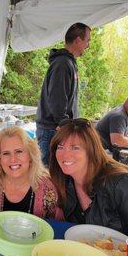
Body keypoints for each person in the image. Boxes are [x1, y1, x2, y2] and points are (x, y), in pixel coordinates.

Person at [49, 118, 128, 236]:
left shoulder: (121, 183)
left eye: (75, 147)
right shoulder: (62, 182)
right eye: (60, 147)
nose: (65, 154)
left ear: (91, 151)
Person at [36, 22, 91, 166]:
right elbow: (57, 97)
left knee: (59, 175)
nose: (88, 45)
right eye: (87, 40)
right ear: (78, 40)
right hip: (52, 130)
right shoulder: (62, 63)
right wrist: (64, 123)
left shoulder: (68, 62)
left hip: (57, 129)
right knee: (49, 177)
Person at [0, 126, 63, 220]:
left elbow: (57, 226)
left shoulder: (48, 188)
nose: (13, 159)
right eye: (6, 153)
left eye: (19, 151)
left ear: (30, 155)